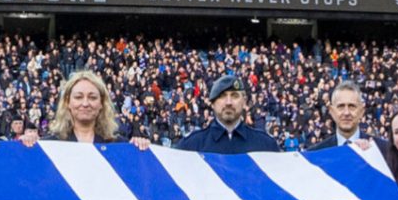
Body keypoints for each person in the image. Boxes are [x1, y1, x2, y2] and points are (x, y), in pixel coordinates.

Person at [17, 70, 155, 149]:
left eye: (92, 97)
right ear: (67, 103)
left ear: (101, 103)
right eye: (78, 97)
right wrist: (23, 147)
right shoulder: (49, 145)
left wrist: (140, 148)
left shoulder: (120, 146)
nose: (85, 103)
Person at [177, 73, 281, 153]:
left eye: (235, 96)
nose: (228, 102)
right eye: (222, 96)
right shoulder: (191, 146)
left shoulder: (266, 145)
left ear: (244, 101)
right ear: (212, 103)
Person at [323, 80, 393, 176]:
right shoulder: (315, 153)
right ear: (331, 111)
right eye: (341, 106)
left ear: (361, 111)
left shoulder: (384, 150)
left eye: (352, 106)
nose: (346, 112)